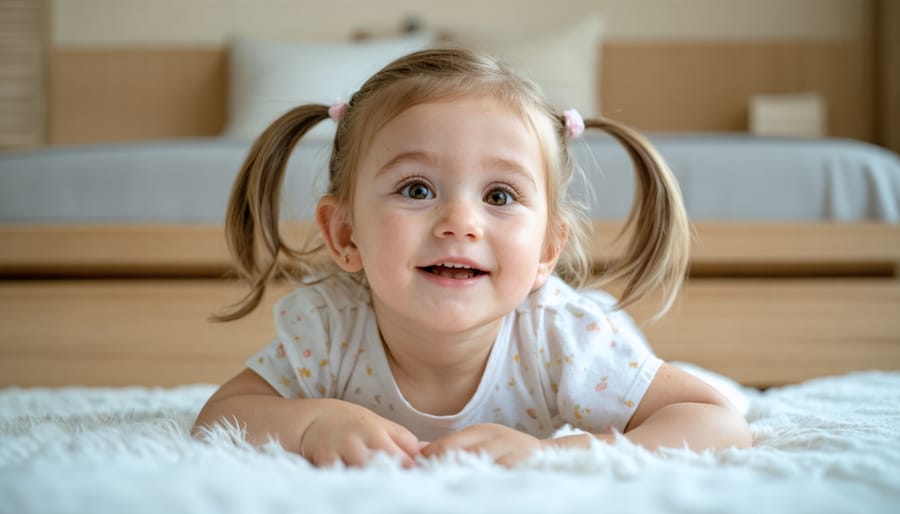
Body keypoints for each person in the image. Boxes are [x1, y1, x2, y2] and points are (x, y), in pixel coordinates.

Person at [193, 47, 751, 468]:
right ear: (345, 234)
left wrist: (557, 455)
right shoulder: (330, 326)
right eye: (416, 189)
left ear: (546, 253)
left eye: (499, 197)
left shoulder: (562, 339)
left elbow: (718, 422)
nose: (460, 222)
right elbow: (220, 417)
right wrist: (310, 421)